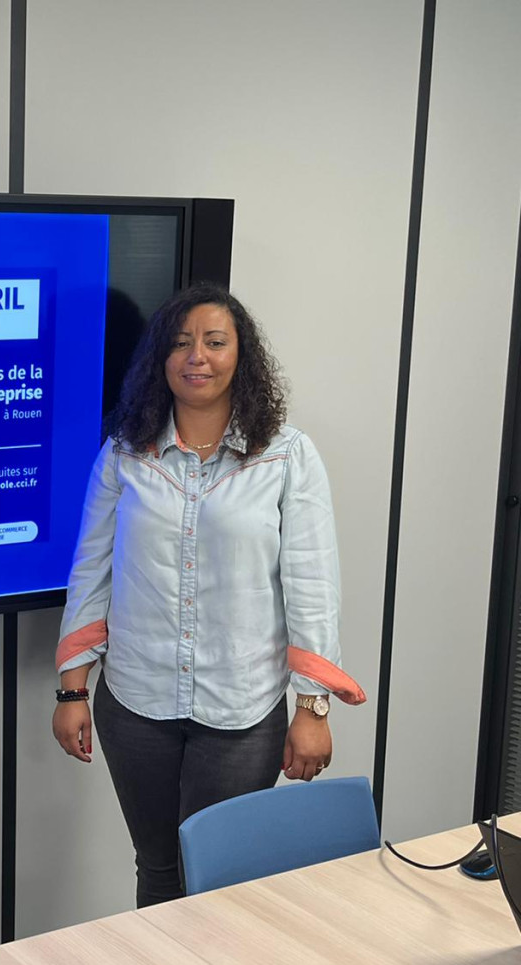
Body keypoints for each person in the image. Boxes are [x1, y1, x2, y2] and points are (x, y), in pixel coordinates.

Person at [51, 282, 366, 907]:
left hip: (241, 713)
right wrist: (70, 688)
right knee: (158, 868)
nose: (197, 356)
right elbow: (91, 570)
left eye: (215, 342)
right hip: (136, 704)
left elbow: (313, 584)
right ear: (160, 361)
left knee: (219, 882)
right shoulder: (123, 454)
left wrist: (313, 708)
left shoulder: (287, 457)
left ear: (239, 356)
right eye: (181, 343)